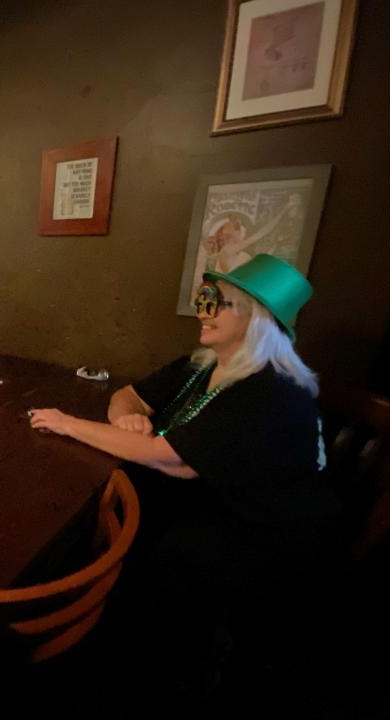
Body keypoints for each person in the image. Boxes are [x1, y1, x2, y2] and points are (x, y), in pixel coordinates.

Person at [29, 254, 342, 696]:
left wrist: (67, 423)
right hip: (221, 504)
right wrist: (126, 421)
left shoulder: (267, 391)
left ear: (257, 321)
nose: (203, 310)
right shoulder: (203, 365)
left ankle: (163, 675)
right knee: (136, 508)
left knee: (162, 548)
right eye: (204, 298)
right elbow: (128, 395)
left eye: (218, 303)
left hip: (275, 538)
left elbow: (171, 459)